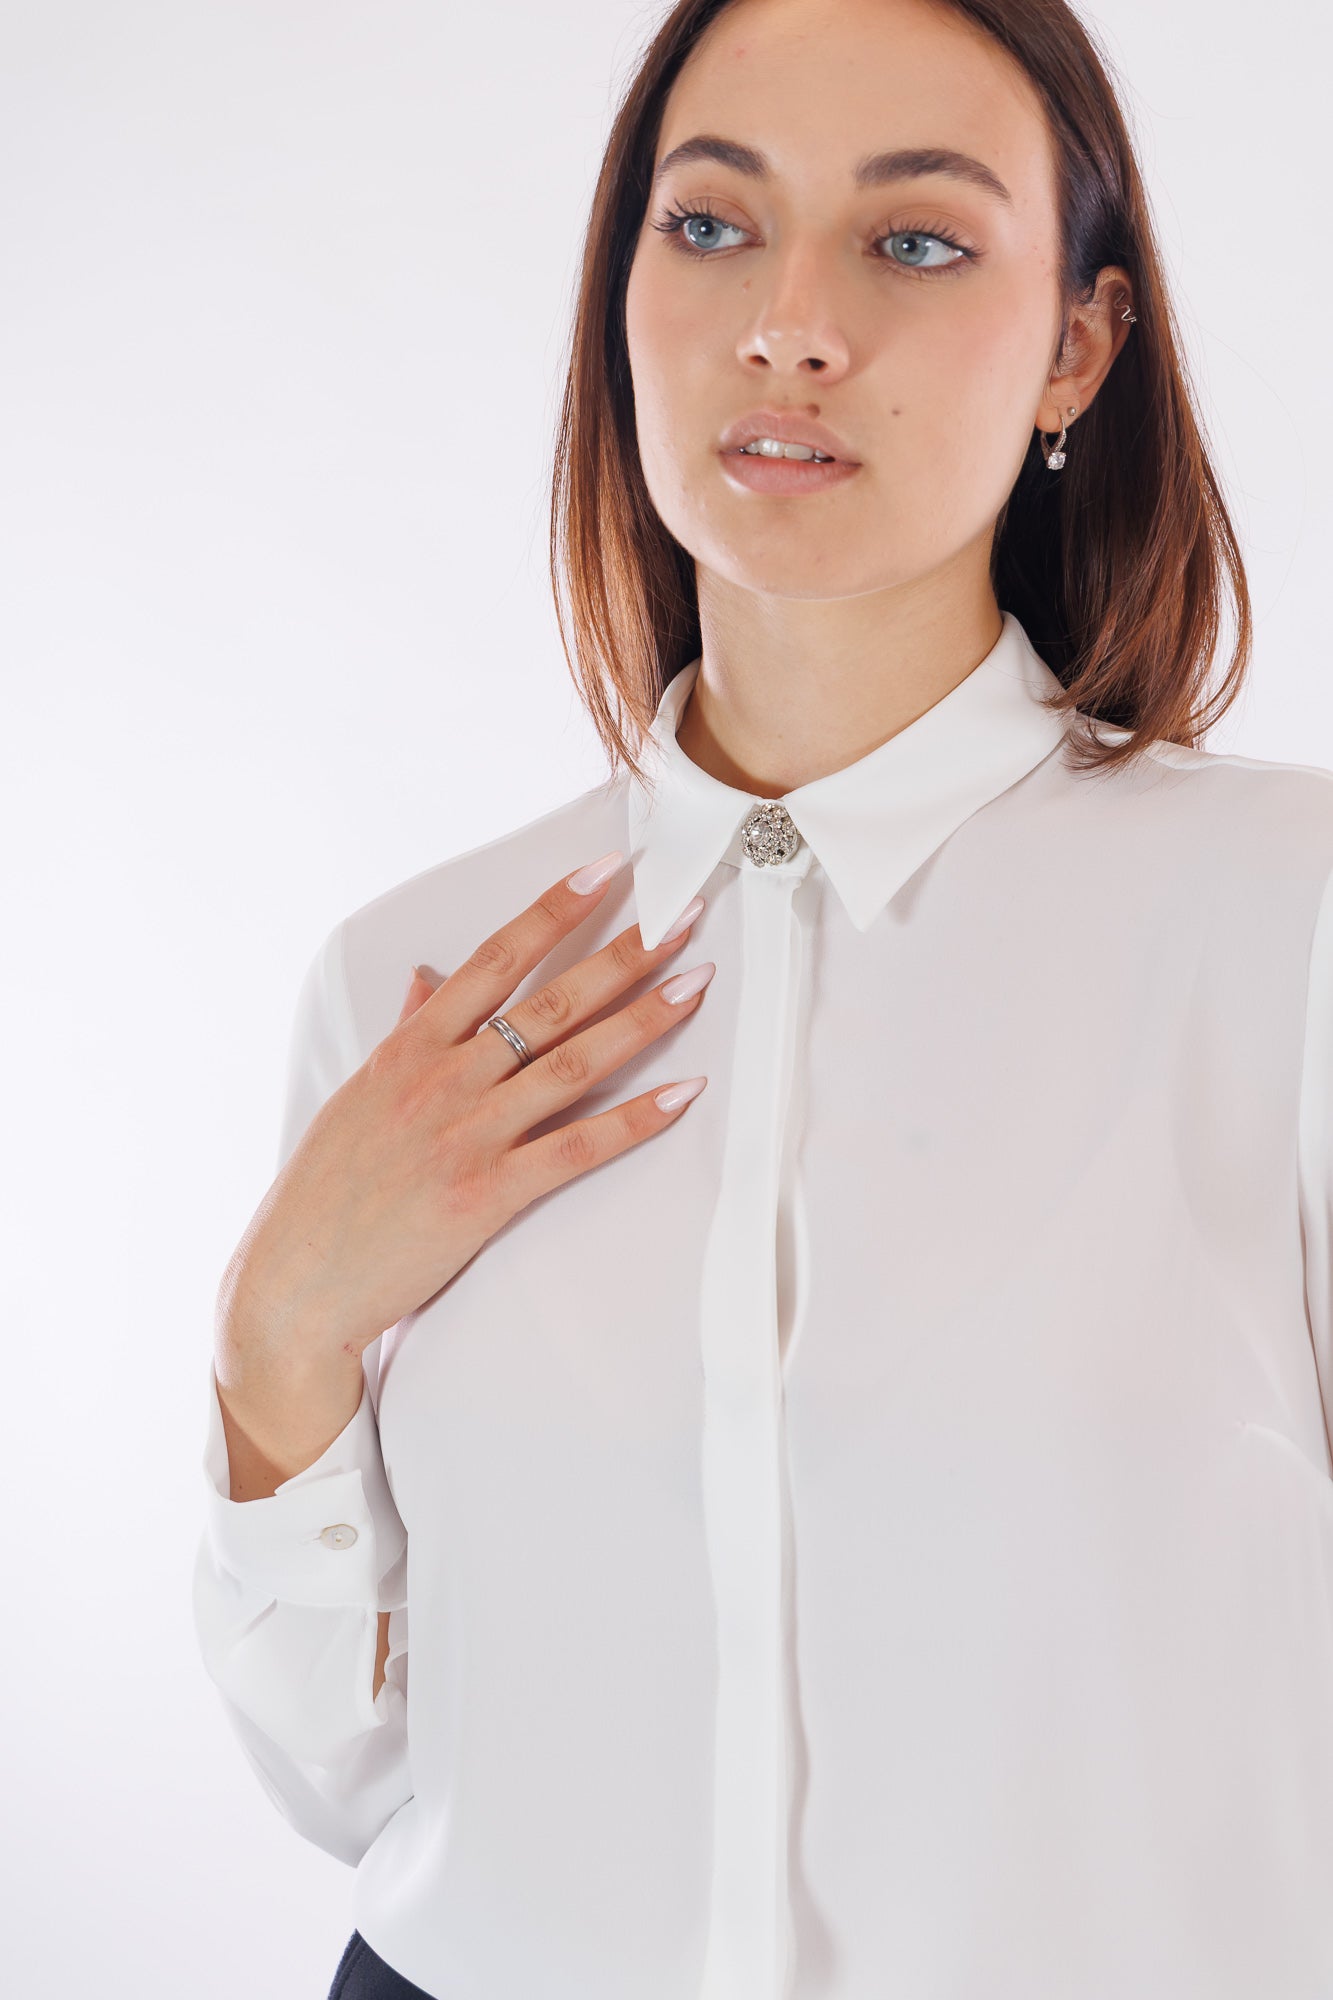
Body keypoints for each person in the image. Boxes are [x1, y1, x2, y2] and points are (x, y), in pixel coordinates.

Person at [193, 0, 1333, 1995]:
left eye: (914, 241)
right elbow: (364, 1783)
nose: (790, 326)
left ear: (1076, 345)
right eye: (710, 226)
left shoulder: (1283, 924)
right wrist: (273, 1342)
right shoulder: (412, 979)